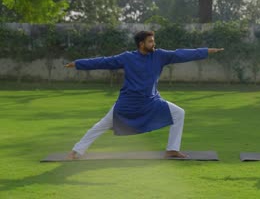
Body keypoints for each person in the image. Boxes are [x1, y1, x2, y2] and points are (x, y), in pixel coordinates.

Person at [64, 30, 223, 159]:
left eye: (153, 41)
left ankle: (172, 150)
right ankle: (76, 152)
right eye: (150, 41)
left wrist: (205, 51)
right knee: (101, 125)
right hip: (128, 103)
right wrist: (78, 64)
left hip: (151, 101)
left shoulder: (159, 56)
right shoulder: (128, 58)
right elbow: (103, 62)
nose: (154, 44)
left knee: (179, 113)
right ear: (141, 44)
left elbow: (181, 54)